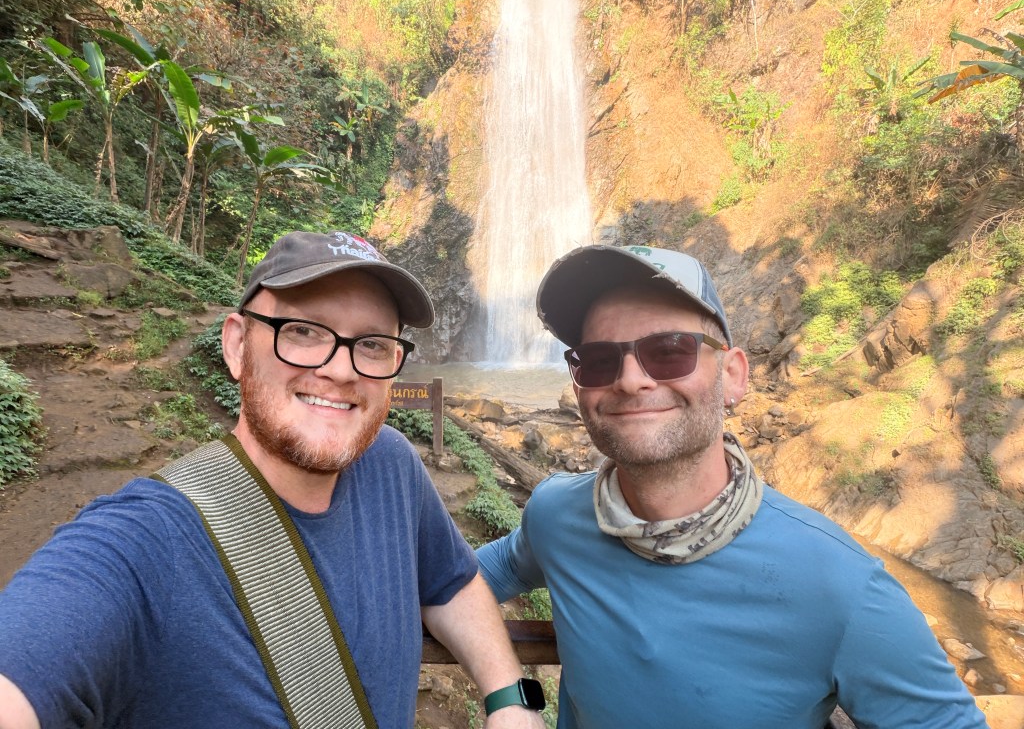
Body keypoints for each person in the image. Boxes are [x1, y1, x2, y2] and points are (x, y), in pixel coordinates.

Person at [0, 230, 545, 729]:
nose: (341, 369)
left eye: (373, 344)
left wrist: (509, 697)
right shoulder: (138, 546)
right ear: (236, 344)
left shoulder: (391, 464)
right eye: (304, 331)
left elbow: (451, 581)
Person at [477, 243, 988, 729]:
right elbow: (469, 575)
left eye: (670, 350)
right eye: (599, 360)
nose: (631, 380)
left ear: (734, 376)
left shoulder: (842, 586)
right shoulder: (556, 515)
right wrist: (504, 687)